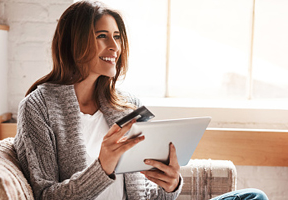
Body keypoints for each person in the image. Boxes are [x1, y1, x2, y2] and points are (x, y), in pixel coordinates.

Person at [13, 1, 269, 200]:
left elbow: (147, 194)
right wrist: (102, 167)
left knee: (253, 197)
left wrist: (171, 185)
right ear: (73, 43)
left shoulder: (127, 104)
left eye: (117, 36)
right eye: (102, 36)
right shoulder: (38, 107)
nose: (115, 46)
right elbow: (45, 196)